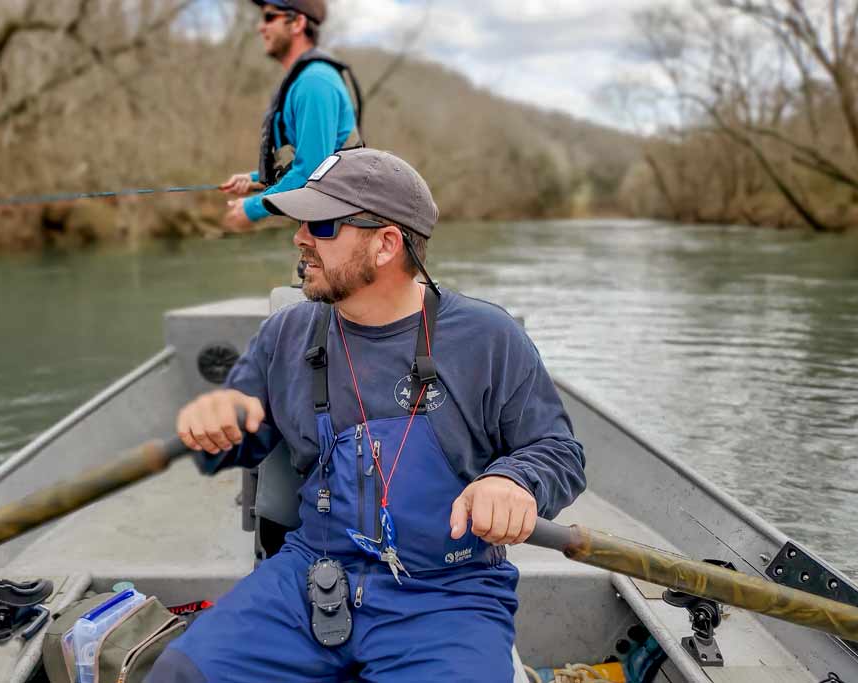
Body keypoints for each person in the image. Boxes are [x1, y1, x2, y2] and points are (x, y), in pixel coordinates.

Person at [149, 148, 586, 682]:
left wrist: (515, 481)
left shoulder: (490, 339)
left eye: (323, 224)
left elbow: (559, 453)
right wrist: (217, 422)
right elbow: (241, 437)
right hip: (310, 575)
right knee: (180, 673)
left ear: (385, 244)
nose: (300, 237)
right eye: (302, 222)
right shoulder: (285, 334)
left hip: (447, 595)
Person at [220, 0, 363, 232]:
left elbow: (311, 174)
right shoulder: (306, 79)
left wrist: (251, 209)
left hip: (341, 234)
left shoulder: (314, 81)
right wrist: (256, 179)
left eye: (269, 17)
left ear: (297, 22)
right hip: (329, 231)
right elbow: (308, 160)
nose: (260, 27)